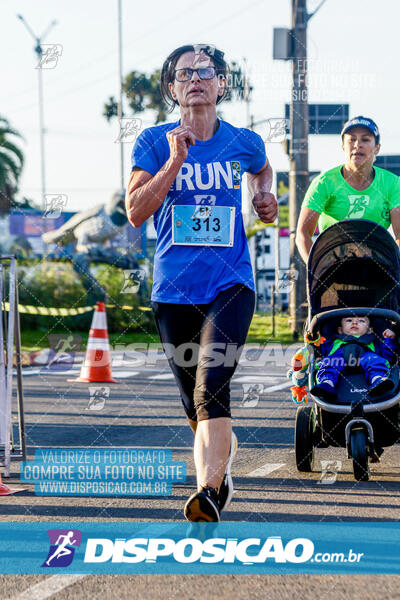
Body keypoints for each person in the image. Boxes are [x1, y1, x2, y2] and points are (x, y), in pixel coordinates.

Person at [125, 44, 277, 522]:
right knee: (196, 405)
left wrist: (263, 194)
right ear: (172, 88)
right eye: (184, 73)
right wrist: (173, 162)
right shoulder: (152, 142)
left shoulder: (243, 141)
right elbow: (135, 212)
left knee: (212, 387)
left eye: (205, 72)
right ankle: (220, 463)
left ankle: (208, 492)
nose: (195, 79)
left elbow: (262, 167)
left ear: (221, 85)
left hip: (230, 281)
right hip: (173, 289)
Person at [296, 116, 400, 263]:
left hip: (376, 268)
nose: (358, 145)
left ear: (377, 148)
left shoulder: (393, 184)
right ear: (343, 146)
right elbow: (302, 233)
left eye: (365, 139)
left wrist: (391, 269)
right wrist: (316, 270)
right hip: (332, 266)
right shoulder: (324, 183)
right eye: (351, 139)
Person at [310, 316, 397, 401]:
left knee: (375, 360)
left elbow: (388, 357)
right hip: (340, 363)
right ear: (340, 330)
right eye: (349, 320)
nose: (355, 322)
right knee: (329, 362)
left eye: (361, 321)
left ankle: (378, 379)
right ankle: (327, 383)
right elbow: (320, 352)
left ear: (370, 330)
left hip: (366, 363)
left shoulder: (374, 342)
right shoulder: (333, 342)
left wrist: (389, 340)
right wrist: (315, 340)